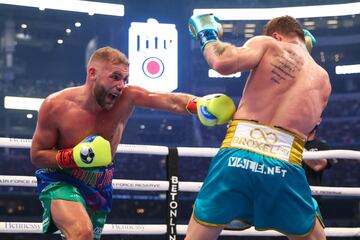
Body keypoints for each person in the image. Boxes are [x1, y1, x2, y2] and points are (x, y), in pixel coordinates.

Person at [30, 46, 236, 240]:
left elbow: (171, 100)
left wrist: (200, 104)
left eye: (125, 79)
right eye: (115, 77)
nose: (121, 85)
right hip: (61, 179)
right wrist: (74, 156)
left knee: (86, 235)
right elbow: (37, 155)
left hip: (99, 183)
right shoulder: (55, 106)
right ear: (92, 73)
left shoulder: (127, 97)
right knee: (81, 232)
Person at [186, 15, 332, 240]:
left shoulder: (269, 44)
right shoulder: (323, 80)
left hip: (238, 154)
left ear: (276, 35)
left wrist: (208, 33)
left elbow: (222, 62)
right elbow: (309, 126)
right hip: (284, 164)